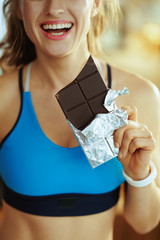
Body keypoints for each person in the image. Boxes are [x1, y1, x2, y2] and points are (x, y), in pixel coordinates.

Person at [0, 0, 160, 240]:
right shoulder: (3, 99)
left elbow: (144, 223)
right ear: (20, 8)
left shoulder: (141, 95)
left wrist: (139, 175)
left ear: (95, 4)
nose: (53, 7)